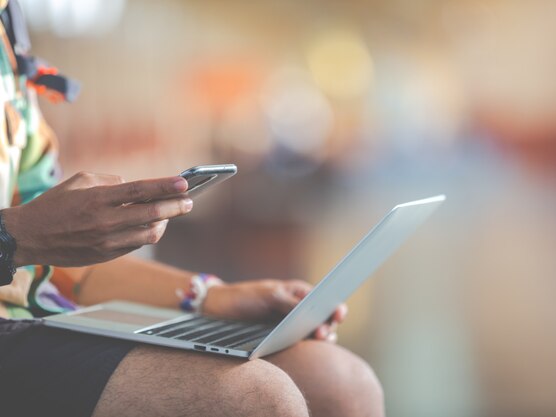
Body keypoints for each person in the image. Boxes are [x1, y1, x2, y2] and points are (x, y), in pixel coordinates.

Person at [0, 1, 384, 416]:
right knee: (253, 399)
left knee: (340, 382)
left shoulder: (9, 29)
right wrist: (15, 236)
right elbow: (30, 236)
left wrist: (212, 296)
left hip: (34, 314)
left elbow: (57, 263)